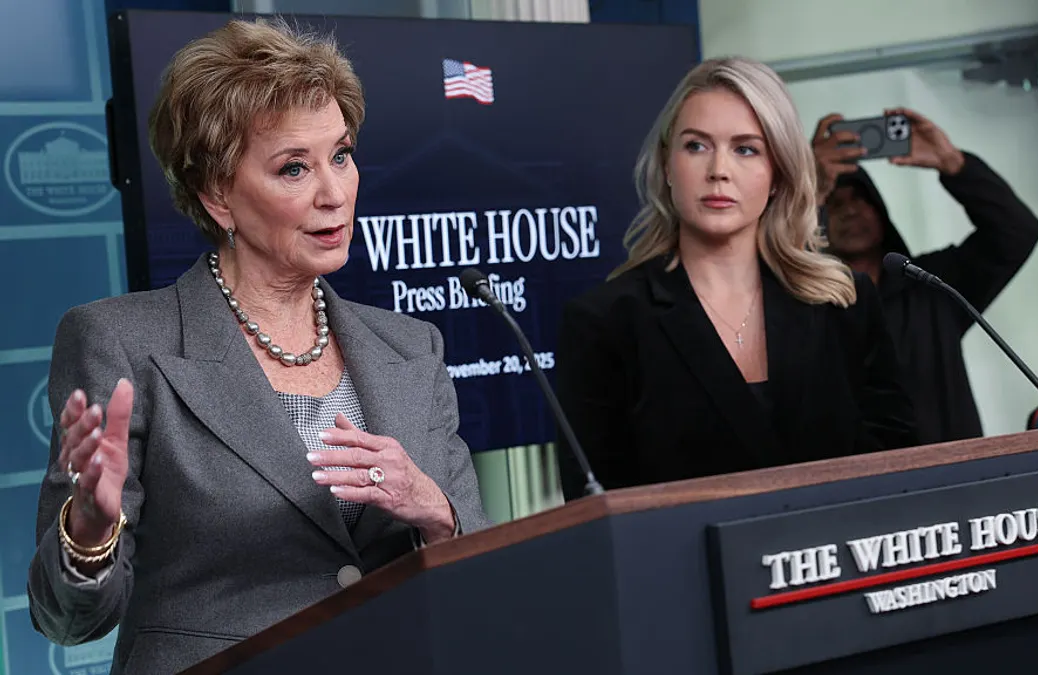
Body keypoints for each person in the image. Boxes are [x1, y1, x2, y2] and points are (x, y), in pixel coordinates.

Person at [26, 19, 488, 674]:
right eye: (294, 167)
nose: (334, 192)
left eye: (342, 154)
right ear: (217, 194)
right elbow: (66, 619)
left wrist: (435, 511)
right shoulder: (122, 343)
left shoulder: (412, 346)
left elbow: (486, 571)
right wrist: (89, 531)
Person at [553, 57, 918, 502]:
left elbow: (899, 473)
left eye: (746, 149)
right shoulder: (603, 323)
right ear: (667, 166)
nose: (718, 171)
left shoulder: (844, 303)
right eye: (696, 146)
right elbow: (597, 510)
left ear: (778, 176)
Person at [812, 108, 1038, 445]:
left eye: (860, 199)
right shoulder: (805, 304)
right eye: (834, 202)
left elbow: (1016, 232)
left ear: (880, 210)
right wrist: (811, 190)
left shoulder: (931, 284)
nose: (849, 210)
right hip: (855, 485)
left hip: (953, 479)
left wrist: (953, 164)